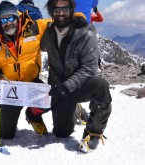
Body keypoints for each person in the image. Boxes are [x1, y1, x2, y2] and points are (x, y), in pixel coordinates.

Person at [41, 0, 112, 152]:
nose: (61, 12)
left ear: (71, 9)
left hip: (77, 87)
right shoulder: (47, 33)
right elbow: (29, 45)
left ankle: (93, 134)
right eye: (57, 9)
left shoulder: (85, 33)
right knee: (61, 134)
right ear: (51, 11)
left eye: (65, 8)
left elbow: (89, 68)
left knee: (101, 87)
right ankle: (75, 110)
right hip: (58, 89)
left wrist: (66, 87)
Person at [0, 1, 50, 139]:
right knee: (6, 135)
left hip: (31, 82)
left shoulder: (34, 27)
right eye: (4, 20)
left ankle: (32, 114)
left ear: (18, 18)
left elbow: (56, 24)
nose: (8, 23)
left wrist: (78, 18)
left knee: (52, 98)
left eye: (11, 18)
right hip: (10, 87)